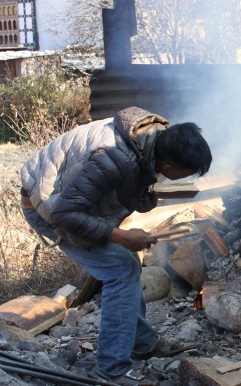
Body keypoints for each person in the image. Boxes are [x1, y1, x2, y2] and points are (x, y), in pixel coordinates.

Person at [19, 106, 212, 384]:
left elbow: (125, 184)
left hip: (68, 199)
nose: (188, 178)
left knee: (127, 264)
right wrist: (122, 236)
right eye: (188, 173)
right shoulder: (113, 157)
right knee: (120, 269)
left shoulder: (149, 140)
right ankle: (111, 369)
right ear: (169, 166)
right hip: (46, 207)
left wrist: (143, 197)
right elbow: (64, 214)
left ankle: (142, 343)